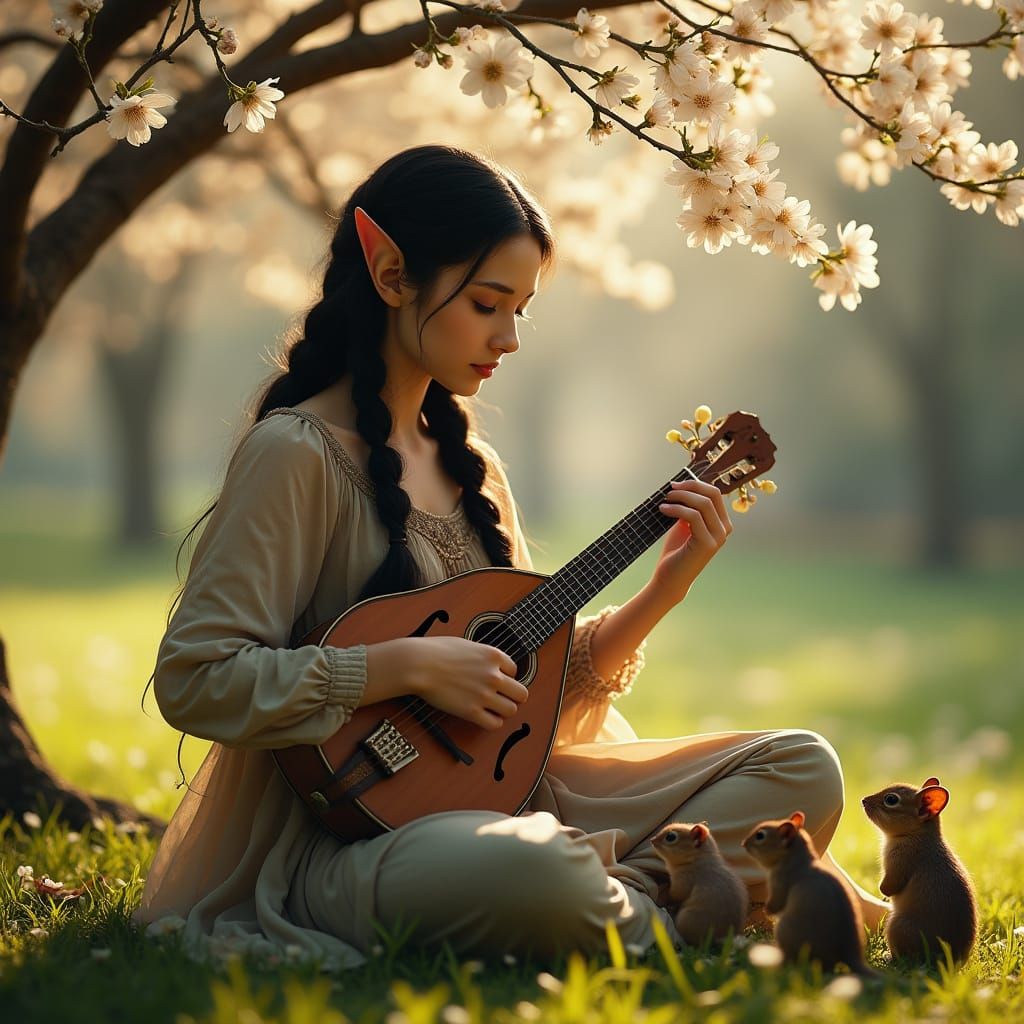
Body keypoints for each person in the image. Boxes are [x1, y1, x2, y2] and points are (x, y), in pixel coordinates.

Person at [133, 143, 888, 970]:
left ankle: (625, 899)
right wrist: (401, 667)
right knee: (524, 867)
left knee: (801, 765)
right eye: (490, 304)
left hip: (515, 798)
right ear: (390, 274)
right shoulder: (297, 454)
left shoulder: (474, 469)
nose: (511, 337)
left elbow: (529, 705)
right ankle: (678, 905)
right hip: (351, 845)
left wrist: (659, 595)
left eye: (522, 308)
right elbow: (196, 678)